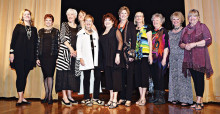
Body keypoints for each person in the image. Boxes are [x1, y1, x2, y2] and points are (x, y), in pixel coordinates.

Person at [179, 9, 213, 110]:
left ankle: (199, 100)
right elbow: (180, 42)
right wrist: (185, 45)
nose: (192, 18)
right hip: (189, 59)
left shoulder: (203, 27)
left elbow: (208, 40)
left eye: (194, 16)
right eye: (190, 16)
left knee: (199, 78)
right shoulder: (185, 29)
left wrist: (194, 44)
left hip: (200, 57)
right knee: (195, 79)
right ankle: (200, 101)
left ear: (198, 17)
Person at [9, 9, 38, 106]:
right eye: (25, 14)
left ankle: (22, 97)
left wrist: (36, 57)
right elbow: (13, 41)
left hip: (29, 56)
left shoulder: (34, 29)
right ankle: (20, 98)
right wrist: (11, 53)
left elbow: (35, 44)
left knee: (24, 77)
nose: (27, 16)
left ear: (30, 16)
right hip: (18, 56)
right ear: (22, 16)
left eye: (28, 14)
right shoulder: (18, 27)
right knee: (20, 76)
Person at [77, 14, 104, 106]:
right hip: (86, 59)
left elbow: (98, 47)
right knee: (86, 79)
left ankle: (95, 98)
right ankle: (86, 98)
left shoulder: (95, 32)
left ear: (92, 23)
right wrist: (80, 58)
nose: (88, 23)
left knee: (97, 78)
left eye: (90, 21)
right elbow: (78, 47)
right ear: (84, 22)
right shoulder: (80, 33)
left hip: (95, 59)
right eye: (87, 21)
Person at [55, 8, 80, 106]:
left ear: (75, 16)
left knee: (71, 77)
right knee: (64, 76)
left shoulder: (79, 27)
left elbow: (81, 40)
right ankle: (64, 97)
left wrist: (77, 51)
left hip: (74, 56)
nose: (70, 16)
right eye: (68, 14)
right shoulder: (64, 25)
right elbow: (63, 37)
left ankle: (70, 96)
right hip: (65, 55)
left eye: (72, 14)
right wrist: (71, 49)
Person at [168, 11, 193, 106]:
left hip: (183, 57)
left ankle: (185, 99)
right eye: (173, 19)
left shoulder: (185, 30)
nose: (175, 21)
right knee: (173, 77)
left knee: (183, 78)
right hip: (172, 57)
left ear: (181, 20)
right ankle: (174, 98)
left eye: (177, 19)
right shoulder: (169, 32)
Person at [99, 13, 123, 109]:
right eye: (105, 20)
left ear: (113, 22)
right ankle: (110, 98)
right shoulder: (102, 33)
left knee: (116, 80)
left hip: (114, 58)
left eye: (109, 20)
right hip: (106, 60)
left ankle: (115, 100)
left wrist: (118, 54)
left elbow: (120, 42)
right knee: (109, 80)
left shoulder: (115, 30)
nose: (107, 22)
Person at [36, 14, 60, 104]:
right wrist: (37, 57)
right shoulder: (40, 31)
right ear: (44, 21)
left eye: (50, 20)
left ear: (52, 22)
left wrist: (58, 57)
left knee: (50, 75)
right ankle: (46, 95)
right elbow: (37, 45)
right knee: (45, 76)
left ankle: (50, 96)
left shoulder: (56, 31)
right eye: (46, 20)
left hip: (52, 56)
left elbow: (59, 45)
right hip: (43, 56)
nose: (48, 22)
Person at [117, 6, 137, 107]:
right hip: (119, 54)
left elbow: (134, 40)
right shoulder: (117, 25)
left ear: (128, 15)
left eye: (125, 13)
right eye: (121, 13)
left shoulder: (131, 25)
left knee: (129, 77)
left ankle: (128, 98)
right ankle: (122, 97)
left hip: (128, 54)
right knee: (121, 77)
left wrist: (132, 54)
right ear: (119, 15)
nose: (123, 15)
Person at [133, 12, 153, 106]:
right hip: (136, 56)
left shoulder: (147, 28)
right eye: (137, 16)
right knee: (138, 77)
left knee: (144, 76)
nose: (138, 18)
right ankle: (141, 97)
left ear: (143, 17)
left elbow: (150, 41)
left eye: (140, 16)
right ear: (135, 18)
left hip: (145, 55)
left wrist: (150, 55)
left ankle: (143, 98)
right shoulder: (133, 29)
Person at [151, 13, 169, 105]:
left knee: (160, 77)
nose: (155, 22)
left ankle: (161, 98)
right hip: (153, 59)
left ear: (161, 21)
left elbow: (166, 46)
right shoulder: (153, 32)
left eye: (157, 20)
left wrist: (164, 59)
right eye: (153, 20)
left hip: (161, 58)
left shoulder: (164, 31)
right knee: (155, 78)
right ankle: (157, 97)